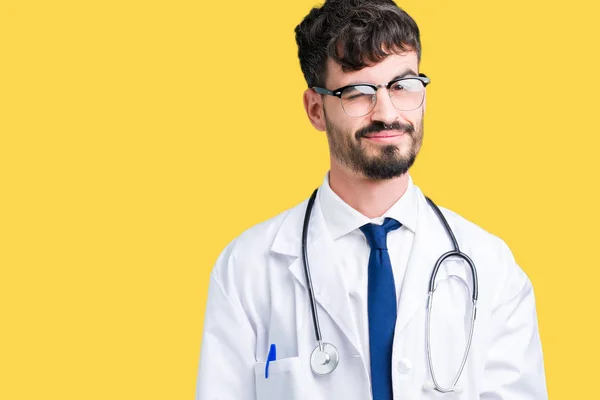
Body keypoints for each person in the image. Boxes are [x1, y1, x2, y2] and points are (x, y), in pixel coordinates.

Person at [195, 0, 548, 399]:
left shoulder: (491, 267)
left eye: (402, 86)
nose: (387, 112)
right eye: (358, 92)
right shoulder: (247, 269)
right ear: (316, 109)